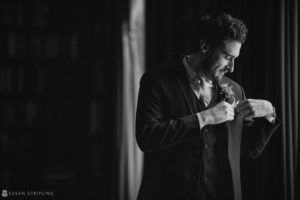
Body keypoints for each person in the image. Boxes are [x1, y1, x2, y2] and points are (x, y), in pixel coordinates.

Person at [135, 12, 280, 200]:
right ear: (204, 46)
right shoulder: (157, 81)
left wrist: (270, 113)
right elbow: (147, 137)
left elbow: (248, 151)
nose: (232, 67)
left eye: (235, 58)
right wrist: (205, 118)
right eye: (228, 57)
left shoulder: (236, 90)